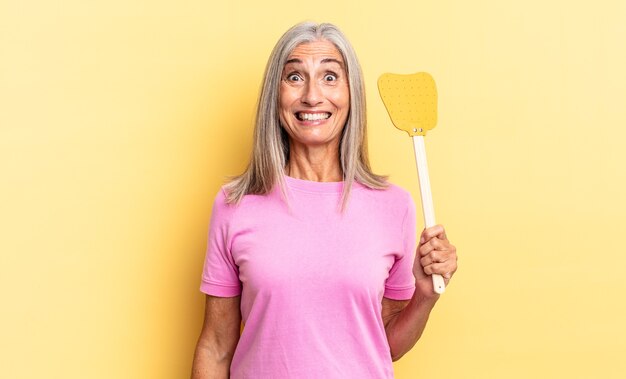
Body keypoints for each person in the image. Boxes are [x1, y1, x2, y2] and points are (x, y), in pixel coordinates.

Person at [191, 22, 457, 379]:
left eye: (330, 77)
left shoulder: (395, 206)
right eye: (295, 77)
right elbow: (216, 347)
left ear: (351, 93)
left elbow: (384, 345)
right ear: (276, 93)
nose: (312, 96)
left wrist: (426, 295)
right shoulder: (235, 204)